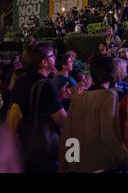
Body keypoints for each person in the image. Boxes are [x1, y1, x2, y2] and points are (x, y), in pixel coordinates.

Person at [11, 42, 82, 172]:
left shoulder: (20, 82)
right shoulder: (46, 85)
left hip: (24, 146)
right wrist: (75, 100)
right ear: (44, 62)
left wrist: (60, 97)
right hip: (44, 148)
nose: (55, 58)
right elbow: (63, 121)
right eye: (52, 55)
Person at [59, 55, 128, 173]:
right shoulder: (109, 95)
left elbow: (68, 134)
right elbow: (107, 134)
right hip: (100, 165)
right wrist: (125, 157)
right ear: (112, 73)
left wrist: (67, 163)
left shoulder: (79, 98)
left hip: (78, 164)